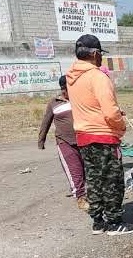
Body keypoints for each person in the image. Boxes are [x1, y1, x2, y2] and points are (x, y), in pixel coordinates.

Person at [66, 34, 133, 236]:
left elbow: (90, 105)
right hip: (104, 136)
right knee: (112, 180)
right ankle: (114, 222)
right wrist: (120, 125)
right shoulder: (98, 77)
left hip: (83, 135)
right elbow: (109, 112)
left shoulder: (72, 78)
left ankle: (98, 221)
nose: (101, 59)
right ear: (95, 54)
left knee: (95, 179)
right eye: (100, 55)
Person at [38, 75, 88, 211]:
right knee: (74, 171)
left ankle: (91, 193)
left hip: (84, 139)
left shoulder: (80, 99)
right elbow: (46, 122)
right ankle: (81, 198)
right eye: (67, 89)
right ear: (63, 89)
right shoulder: (54, 103)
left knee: (87, 169)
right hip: (64, 142)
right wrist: (41, 140)